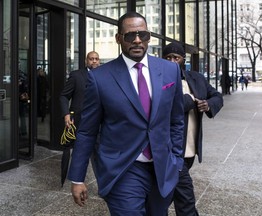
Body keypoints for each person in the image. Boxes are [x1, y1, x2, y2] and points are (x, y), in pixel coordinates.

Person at [67, 12, 184, 215]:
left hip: (162, 169)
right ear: (119, 38)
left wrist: (176, 159)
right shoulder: (99, 78)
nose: (137, 40)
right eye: (130, 35)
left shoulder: (169, 70)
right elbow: (87, 131)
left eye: (143, 35)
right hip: (123, 169)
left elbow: (176, 120)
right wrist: (77, 177)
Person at [163, 42, 223, 216]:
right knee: (185, 199)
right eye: (168, 58)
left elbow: (217, 96)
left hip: (191, 147)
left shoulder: (197, 78)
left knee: (165, 193)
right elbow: (165, 105)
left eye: (176, 57)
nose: (172, 61)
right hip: (171, 150)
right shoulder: (158, 79)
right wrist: (190, 99)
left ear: (183, 59)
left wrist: (208, 104)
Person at [59, 51, 100, 186]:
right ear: (86, 61)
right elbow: (64, 96)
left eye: (96, 59)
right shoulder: (76, 76)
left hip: (100, 123)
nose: (94, 61)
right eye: (91, 59)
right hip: (79, 123)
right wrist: (66, 114)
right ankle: (73, 181)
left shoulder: (104, 75)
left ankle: (103, 184)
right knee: (78, 154)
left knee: (99, 155)